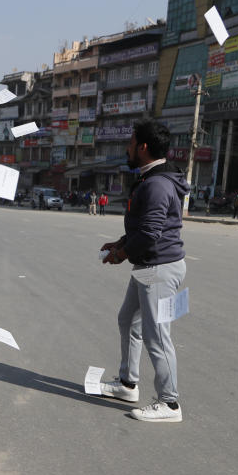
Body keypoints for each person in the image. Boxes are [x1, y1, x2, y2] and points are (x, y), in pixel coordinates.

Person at [99, 119, 188, 423]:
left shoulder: (158, 184)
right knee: (128, 320)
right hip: (149, 267)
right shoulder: (153, 178)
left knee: (158, 335)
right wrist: (122, 242)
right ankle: (127, 384)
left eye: (131, 141)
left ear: (143, 147)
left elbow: (151, 233)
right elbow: (145, 228)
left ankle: (170, 403)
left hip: (160, 269)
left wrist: (121, 254)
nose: (127, 147)